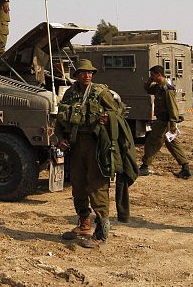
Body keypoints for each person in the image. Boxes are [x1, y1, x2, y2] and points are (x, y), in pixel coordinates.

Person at [54, 60, 122, 248]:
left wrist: (108, 119)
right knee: (78, 185)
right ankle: (84, 223)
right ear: (76, 75)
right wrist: (60, 139)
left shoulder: (101, 93)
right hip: (75, 146)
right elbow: (60, 120)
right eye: (83, 72)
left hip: (96, 145)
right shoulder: (70, 94)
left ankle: (101, 232)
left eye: (90, 72)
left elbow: (119, 112)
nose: (88, 75)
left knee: (98, 186)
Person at [139, 65, 191, 179]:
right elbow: (147, 89)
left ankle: (144, 167)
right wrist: (149, 81)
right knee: (173, 144)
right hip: (162, 121)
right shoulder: (158, 87)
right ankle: (185, 168)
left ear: (159, 74)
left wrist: (173, 124)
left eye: (152, 75)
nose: (151, 77)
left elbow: (173, 108)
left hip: (164, 122)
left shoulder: (167, 90)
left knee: (152, 143)